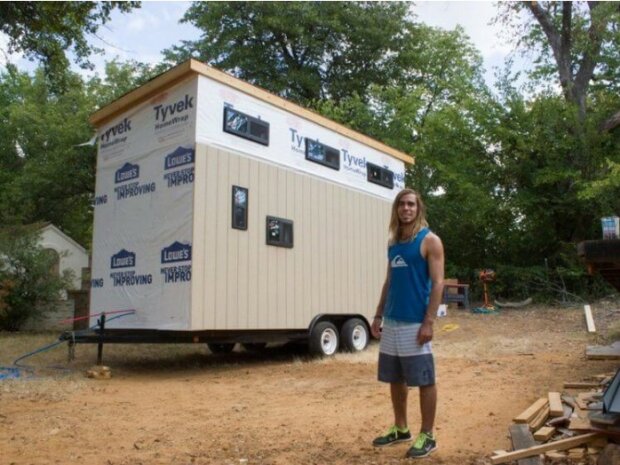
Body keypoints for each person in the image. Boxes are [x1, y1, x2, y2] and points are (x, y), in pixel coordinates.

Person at [371, 188, 445, 459]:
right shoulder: (393, 243)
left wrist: (429, 321)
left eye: (411, 204)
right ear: (396, 209)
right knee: (395, 378)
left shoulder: (430, 241)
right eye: (401, 204)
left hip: (416, 323)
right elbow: (389, 281)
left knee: (424, 380)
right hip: (392, 321)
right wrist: (378, 314)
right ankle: (401, 428)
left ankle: (428, 435)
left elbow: (438, 283)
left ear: (418, 208)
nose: (406, 208)